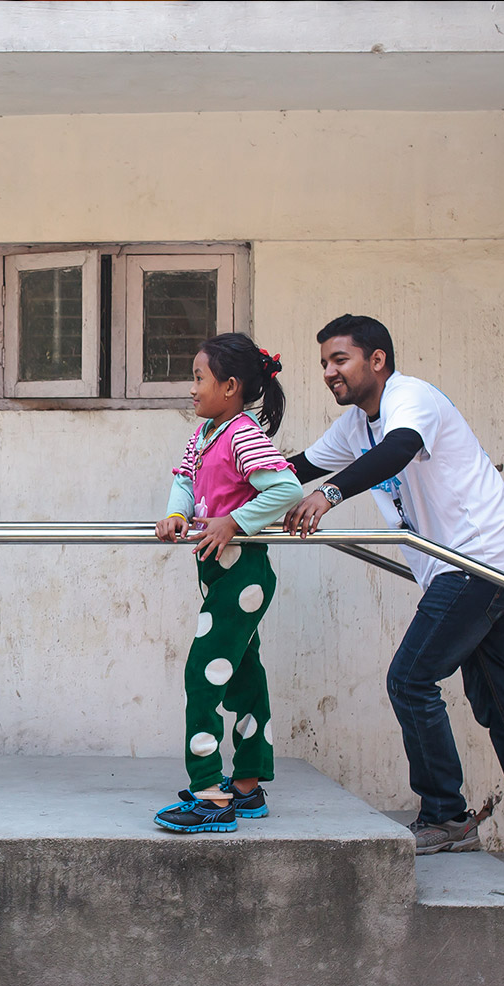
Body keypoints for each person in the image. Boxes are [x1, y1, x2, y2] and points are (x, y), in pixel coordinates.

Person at [282, 314, 504, 881]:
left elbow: (398, 450)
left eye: (340, 359)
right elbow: (295, 466)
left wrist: (328, 495)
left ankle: (446, 816)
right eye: (324, 362)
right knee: (500, 706)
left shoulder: (410, 399)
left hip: (481, 562)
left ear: (377, 360)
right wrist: (228, 488)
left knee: (410, 678)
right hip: (475, 564)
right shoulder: (356, 424)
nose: (329, 372)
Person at [153, 333, 303, 833]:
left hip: (243, 572)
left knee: (203, 673)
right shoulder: (207, 433)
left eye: (199, 378)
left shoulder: (243, 433)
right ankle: (247, 785)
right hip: (219, 571)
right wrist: (178, 511)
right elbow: (184, 477)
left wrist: (235, 521)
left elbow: (284, 488)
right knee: (241, 673)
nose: (191, 388)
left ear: (231, 386)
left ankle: (209, 794)